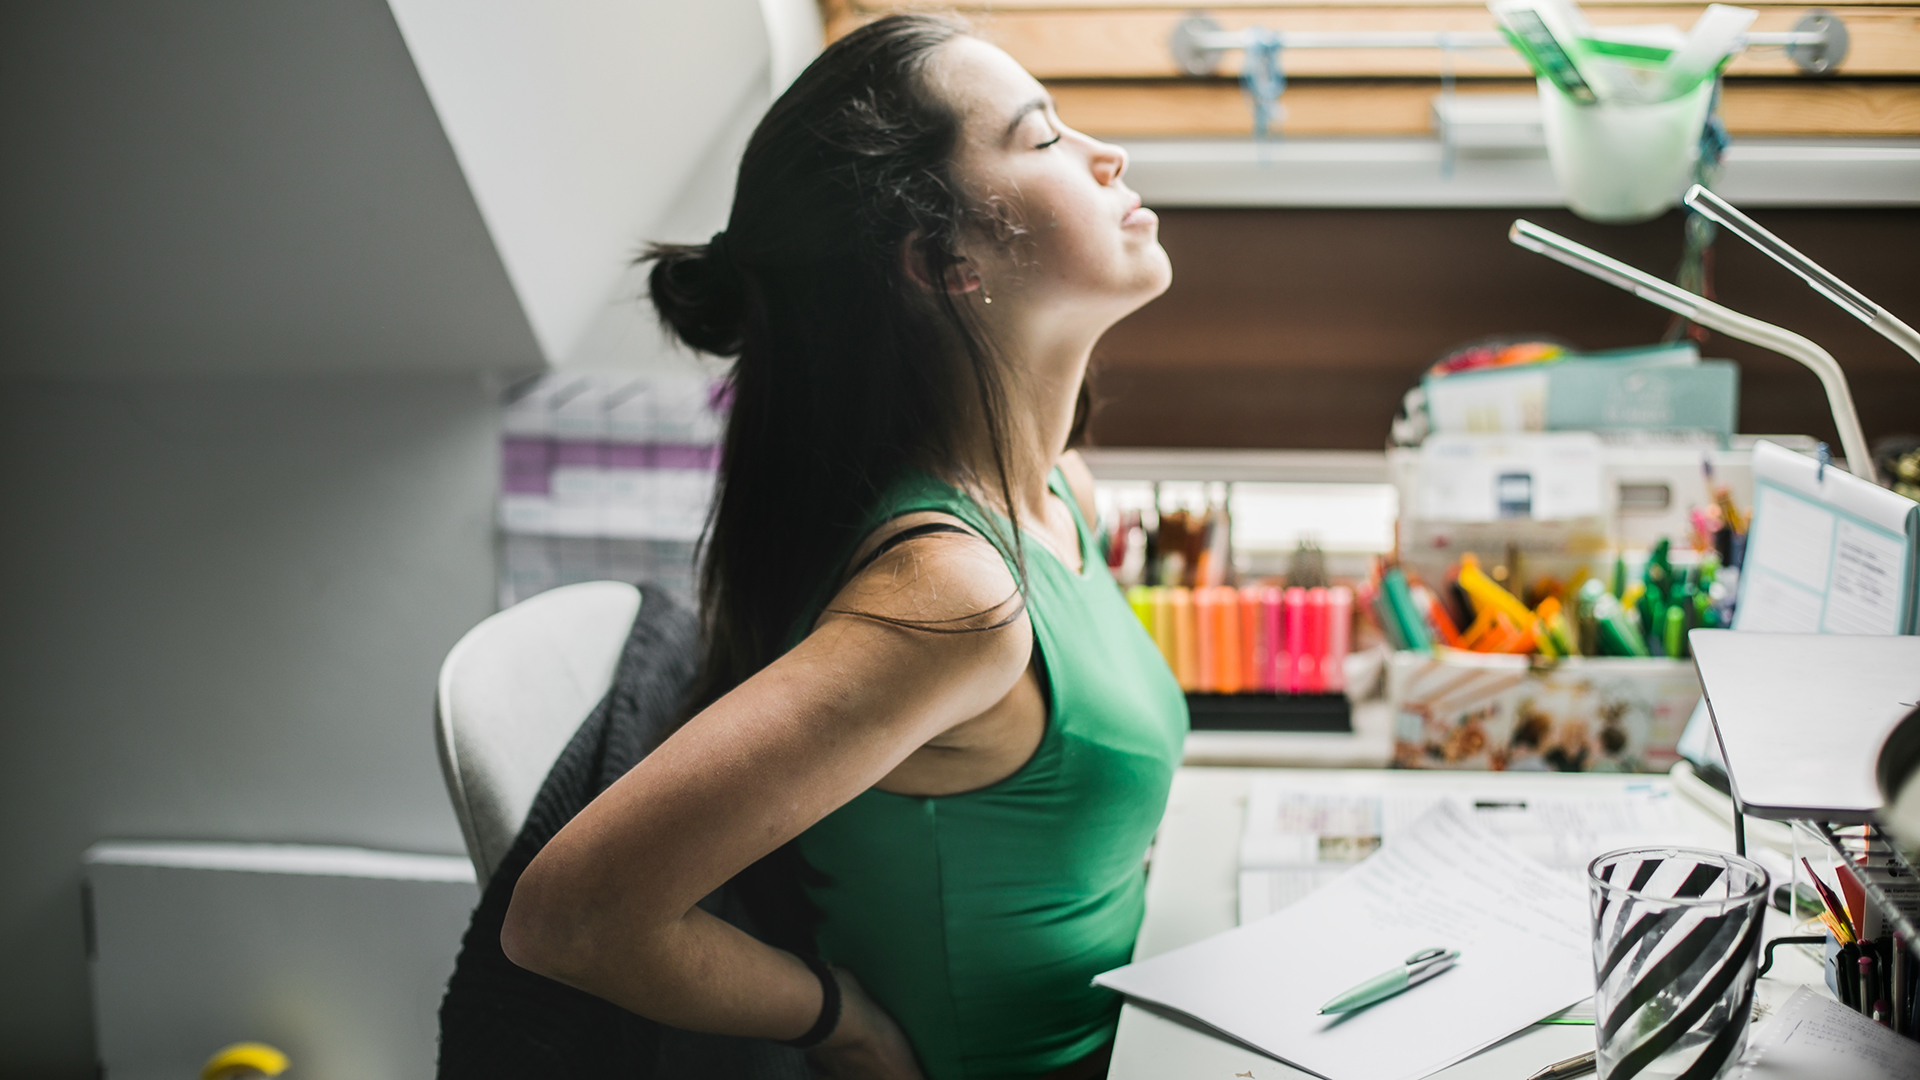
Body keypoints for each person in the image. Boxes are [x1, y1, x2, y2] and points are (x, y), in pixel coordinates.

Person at [500, 14, 1186, 1080]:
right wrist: (840, 1023)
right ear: (943, 260)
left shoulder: (1057, 493)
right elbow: (570, 919)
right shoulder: (955, 599)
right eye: (1044, 139)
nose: (1109, 156)